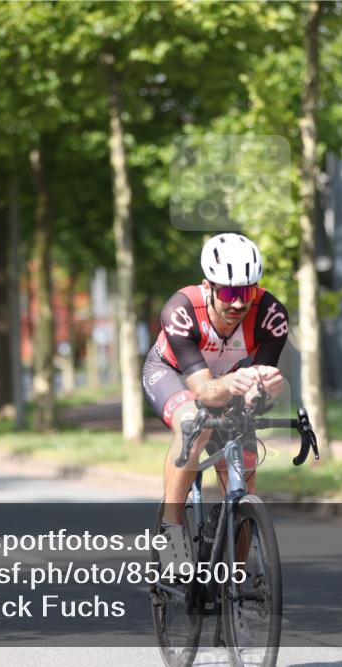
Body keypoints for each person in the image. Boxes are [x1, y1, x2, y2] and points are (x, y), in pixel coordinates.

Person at [142, 233, 290, 572]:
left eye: (248, 292)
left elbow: (257, 394)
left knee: (246, 476)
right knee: (194, 423)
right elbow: (204, 392)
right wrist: (232, 385)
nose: (239, 304)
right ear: (208, 287)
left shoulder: (271, 316)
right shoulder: (180, 310)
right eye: (229, 293)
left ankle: (232, 582)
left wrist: (264, 390)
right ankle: (172, 529)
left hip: (228, 382)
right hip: (174, 375)